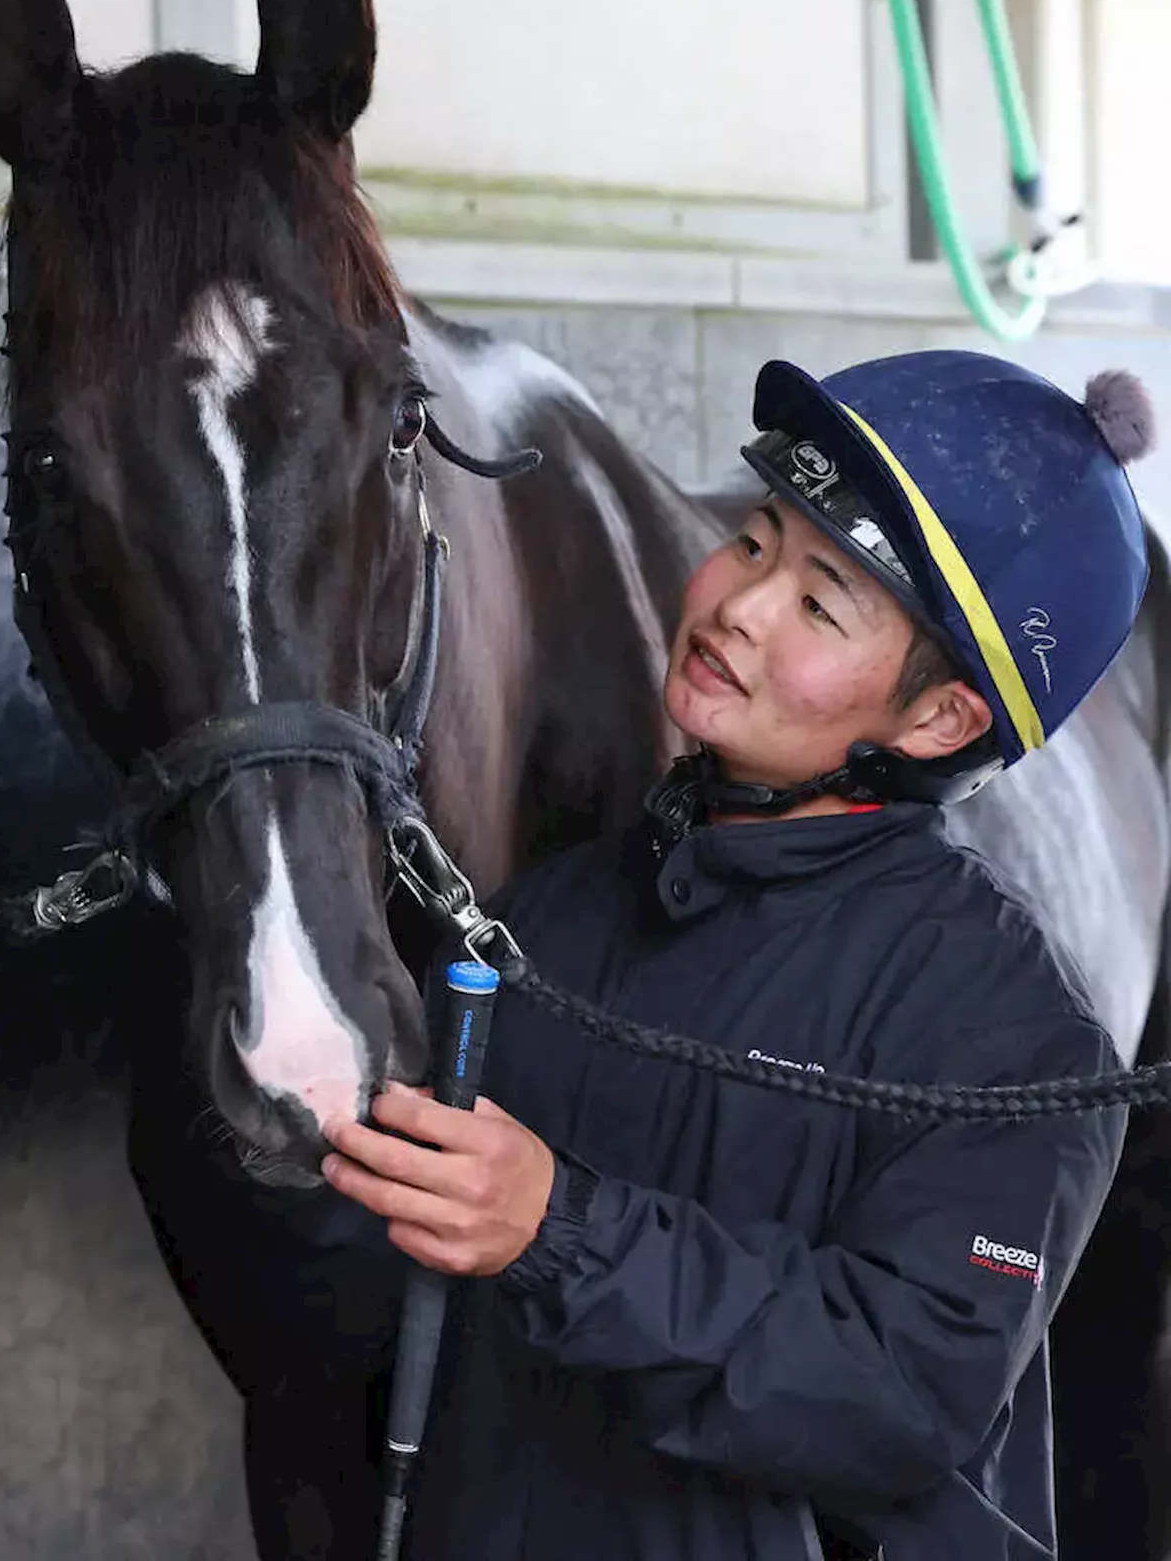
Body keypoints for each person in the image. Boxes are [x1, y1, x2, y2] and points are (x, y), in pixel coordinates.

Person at [319, 348, 1153, 1561]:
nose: (737, 606)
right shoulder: (539, 924)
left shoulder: (1013, 1041)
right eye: (755, 539)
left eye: (819, 603)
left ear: (936, 719)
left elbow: (899, 1395)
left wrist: (559, 1229)